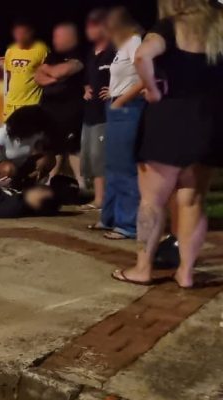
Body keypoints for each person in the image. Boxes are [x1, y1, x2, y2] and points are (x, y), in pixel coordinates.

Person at [114, 0, 223, 288]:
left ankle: (142, 268)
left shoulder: (171, 26)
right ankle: (186, 274)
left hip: (168, 121)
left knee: (152, 201)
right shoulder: (220, 27)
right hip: (209, 123)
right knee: (193, 201)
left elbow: (142, 56)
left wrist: (151, 89)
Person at [92, 7, 146, 241]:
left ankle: (128, 224)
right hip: (115, 106)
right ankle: (110, 217)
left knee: (124, 167)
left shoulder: (136, 42)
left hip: (128, 108)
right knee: (112, 165)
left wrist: (121, 99)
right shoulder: (120, 47)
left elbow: (146, 77)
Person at [36, 22, 86, 188]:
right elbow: (38, 77)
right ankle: (51, 180)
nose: (54, 40)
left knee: (72, 147)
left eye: (58, 36)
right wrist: (55, 77)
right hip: (49, 109)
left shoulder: (79, 54)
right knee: (52, 146)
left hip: (70, 108)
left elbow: (60, 72)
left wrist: (52, 73)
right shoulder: (52, 56)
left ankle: (81, 182)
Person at [81, 8, 116, 210]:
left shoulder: (114, 51)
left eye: (93, 26)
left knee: (101, 157)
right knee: (92, 157)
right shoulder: (90, 53)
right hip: (90, 112)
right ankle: (98, 198)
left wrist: (114, 90)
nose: (89, 30)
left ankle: (103, 200)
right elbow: (86, 80)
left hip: (106, 113)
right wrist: (84, 88)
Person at [4, 19, 49, 120]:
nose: (20, 37)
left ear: (30, 33)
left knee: (27, 135)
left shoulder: (41, 49)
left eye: (23, 33)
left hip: (31, 104)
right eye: (17, 33)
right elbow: (9, 75)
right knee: (2, 135)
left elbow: (48, 73)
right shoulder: (10, 50)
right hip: (11, 104)